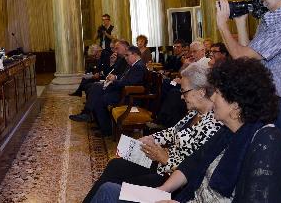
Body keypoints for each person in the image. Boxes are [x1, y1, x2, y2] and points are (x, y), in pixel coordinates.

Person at [92, 58, 281, 203]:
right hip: (184, 197)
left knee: (110, 192)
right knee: (110, 190)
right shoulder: (230, 132)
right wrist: (160, 192)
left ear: (236, 105)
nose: (213, 99)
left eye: (219, 94)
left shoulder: (268, 143)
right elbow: (193, 164)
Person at [83, 63, 221, 202]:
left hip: (171, 178)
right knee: (116, 166)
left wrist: (165, 159)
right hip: (162, 162)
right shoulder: (195, 112)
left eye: (184, 92)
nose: (181, 96)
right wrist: (151, 138)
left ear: (201, 92)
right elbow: (173, 132)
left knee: (115, 187)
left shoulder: (214, 125)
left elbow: (197, 169)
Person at [216, 0, 281, 135]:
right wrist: (240, 22)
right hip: (263, 101)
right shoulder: (272, 17)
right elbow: (248, 59)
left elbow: (240, 55)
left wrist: (222, 25)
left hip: (276, 106)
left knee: (265, 159)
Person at [72, 46, 146, 137]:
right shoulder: (134, 65)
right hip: (123, 92)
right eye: (125, 55)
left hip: (129, 97)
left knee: (100, 98)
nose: (125, 58)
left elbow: (128, 83)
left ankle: (104, 128)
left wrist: (113, 81)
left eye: (127, 55)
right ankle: (92, 117)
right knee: (96, 88)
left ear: (135, 54)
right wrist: (115, 78)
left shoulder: (139, 66)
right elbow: (124, 78)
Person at [69, 40, 132, 121]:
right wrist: (112, 63)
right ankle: (89, 115)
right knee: (93, 87)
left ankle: (88, 114)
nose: (115, 51)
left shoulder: (128, 60)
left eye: (117, 48)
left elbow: (124, 77)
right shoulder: (121, 59)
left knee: (95, 88)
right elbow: (112, 72)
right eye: (114, 48)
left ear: (126, 48)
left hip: (120, 89)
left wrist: (114, 78)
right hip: (113, 83)